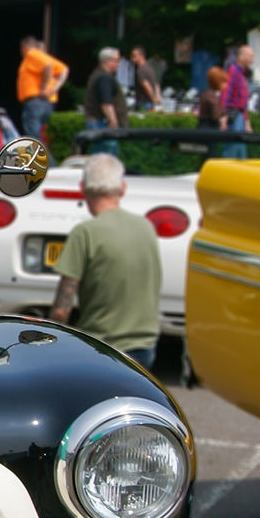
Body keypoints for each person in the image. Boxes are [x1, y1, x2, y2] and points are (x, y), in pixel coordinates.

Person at [47, 153, 162, 369]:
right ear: (123, 188)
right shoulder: (146, 227)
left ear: (83, 188)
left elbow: (62, 309)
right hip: (145, 347)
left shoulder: (85, 233)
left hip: (102, 348)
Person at [17, 36, 68, 142]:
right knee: (37, 137)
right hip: (47, 102)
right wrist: (55, 88)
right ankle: (44, 158)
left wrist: (44, 87)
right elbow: (64, 69)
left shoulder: (31, 54)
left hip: (36, 101)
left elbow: (47, 65)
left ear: (24, 47)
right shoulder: (44, 56)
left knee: (33, 138)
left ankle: (46, 159)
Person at [82, 47, 126, 155]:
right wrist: (113, 120)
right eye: (116, 60)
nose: (118, 63)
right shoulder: (104, 78)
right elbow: (106, 102)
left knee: (101, 154)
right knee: (107, 156)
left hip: (98, 121)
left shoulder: (98, 75)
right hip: (102, 122)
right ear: (107, 61)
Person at [221, 43, 255, 158]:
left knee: (240, 148)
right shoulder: (233, 71)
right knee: (232, 148)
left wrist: (247, 122)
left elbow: (243, 101)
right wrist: (223, 116)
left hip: (240, 116)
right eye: (250, 56)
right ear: (241, 57)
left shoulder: (242, 74)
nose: (252, 60)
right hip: (233, 114)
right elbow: (226, 94)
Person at [130, 46, 161, 110]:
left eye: (134, 55)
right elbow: (156, 84)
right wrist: (158, 97)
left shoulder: (140, 70)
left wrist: (153, 99)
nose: (132, 57)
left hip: (144, 103)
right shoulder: (150, 68)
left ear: (141, 56)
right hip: (151, 103)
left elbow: (146, 86)